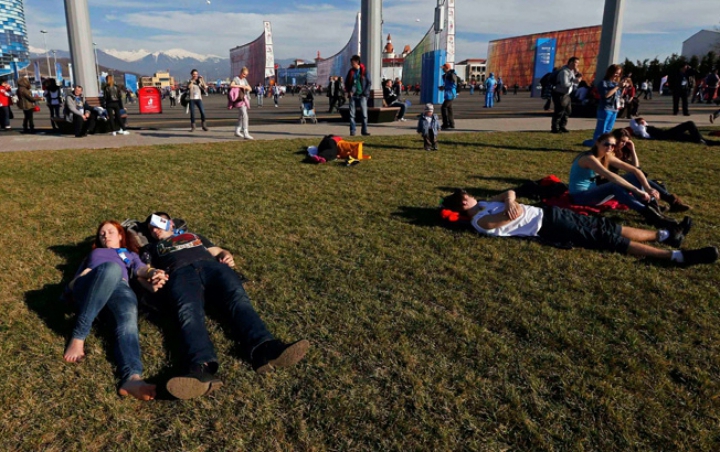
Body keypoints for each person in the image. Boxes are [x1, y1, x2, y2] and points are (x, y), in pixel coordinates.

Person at [143, 212, 310, 400]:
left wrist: (226, 256)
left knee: (238, 300)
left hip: (211, 267)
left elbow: (218, 251)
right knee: (188, 312)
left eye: (158, 224)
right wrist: (151, 281)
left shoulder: (194, 236)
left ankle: (265, 348)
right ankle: (199, 368)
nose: (155, 230)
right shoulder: (151, 247)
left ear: (170, 223)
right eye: (151, 229)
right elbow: (144, 271)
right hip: (179, 274)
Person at [441, 189, 716, 266]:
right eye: (464, 196)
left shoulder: (487, 203)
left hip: (550, 213)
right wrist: (512, 211)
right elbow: (502, 222)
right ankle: (676, 258)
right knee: (607, 239)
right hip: (546, 225)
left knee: (607, 226)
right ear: (463, 204)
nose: (469, 195)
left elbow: (508, 193)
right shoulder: (479, 221)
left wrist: (511, 199)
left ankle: (668, 235)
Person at [64, 221, 168, 401]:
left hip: (121, 288)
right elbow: (76, 280)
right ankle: (79, 335)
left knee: (128, 322)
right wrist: (76, 285)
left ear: (121, 235)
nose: (105, 235)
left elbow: (141, 269)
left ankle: (132, 378)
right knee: (111, 269)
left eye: (110, 231)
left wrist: (153, 274)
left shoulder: (129, 254)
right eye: (102, 233)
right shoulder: (95, 253)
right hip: (92, 282)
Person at [569, 133, 681, 227]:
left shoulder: (607, 156)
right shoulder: (588, 158)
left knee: (632, 176)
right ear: (597, 143)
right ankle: (649, 214)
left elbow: (635, 170)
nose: (610, 148)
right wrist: (637, 190)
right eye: (606, 144)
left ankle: (652, 210)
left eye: (613, 145)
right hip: (580, 197)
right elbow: (610, 175)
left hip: (594, 192)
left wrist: (648, 188)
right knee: (614, 185)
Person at [610, 129, 691, 212]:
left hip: (615, 179)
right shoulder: (608, 151)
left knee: (643, 178)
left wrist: (632, 150)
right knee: (635, 177)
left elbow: (636, 167)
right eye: (622, 141)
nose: (623, 144)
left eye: (625, 142)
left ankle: (663, 202)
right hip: (608, 182)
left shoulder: (620, 152)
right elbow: (635, 170)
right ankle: (665, 202)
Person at [628, 117, 720, 145]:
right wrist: (639, 124)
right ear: (638, 123)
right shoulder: (641, 129)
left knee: (692, 138)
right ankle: (701, 140)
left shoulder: (645, 127)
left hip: (667, 134)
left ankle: (711, 142)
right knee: (689, 123)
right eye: (641, 120)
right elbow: (633, 123)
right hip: (664, 135)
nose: (644, 121)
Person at [591, 64, 623, 141]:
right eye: (616, 73)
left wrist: (623, 87)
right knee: (601, 129)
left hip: (614, 109)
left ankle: (605, 144)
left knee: (608, 129)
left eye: (619, 74)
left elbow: (619, 95)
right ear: (610, 72)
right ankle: (596, 144)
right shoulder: (604, 83)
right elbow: (606, 95)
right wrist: (618, 87)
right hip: (605, 108)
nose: (617, 75)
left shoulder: (616, 83)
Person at [344, 54, 372, 136]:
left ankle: (364, 130)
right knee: (352, 115)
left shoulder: (364, 71)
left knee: (364, 115)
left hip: (362, 95)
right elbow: (346, 82)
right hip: (353, 96)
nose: (351, 64)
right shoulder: (351, 72)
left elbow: (369, 83)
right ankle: (352, 131)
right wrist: (348, 91)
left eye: (353, 63)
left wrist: (365, 93)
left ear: (357, 62)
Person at [551, 57, 580, 134]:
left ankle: (562, 126)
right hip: (560, 94)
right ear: (570, 63)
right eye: (576, 63)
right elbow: (564, 84)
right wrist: (574, 81)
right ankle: (555, 128)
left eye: (577, 63)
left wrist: (576, 75)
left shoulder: (571, 72)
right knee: (559, 111)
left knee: (567, 111)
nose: (577, 65)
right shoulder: (564, 72)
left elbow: (574, 82)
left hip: (567, 94)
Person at [230, 67, 253, 140]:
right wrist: (241, 86)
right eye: (243, 74)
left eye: (246, 75)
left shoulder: (244, 80)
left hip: (245, 99)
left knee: (241, 115)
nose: (244, 76)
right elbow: (231, 85)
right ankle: (246, 132)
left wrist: (246, 87)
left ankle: (237, 130)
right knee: (245, 115)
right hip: (239, 99)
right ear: (241, 72)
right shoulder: (236, 79)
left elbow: (250, 88)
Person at [439, 63, 458, 130]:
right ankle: (451, 123)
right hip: (448, 94)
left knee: (443, 107)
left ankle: (445, 123)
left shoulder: (451, 75)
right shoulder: (446, 75)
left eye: (443, 68)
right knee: (449, 108)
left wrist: (445, 87)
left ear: (447, 68)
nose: (443, 70)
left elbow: (454, 84)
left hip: (450, 94)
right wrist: (443, 87)